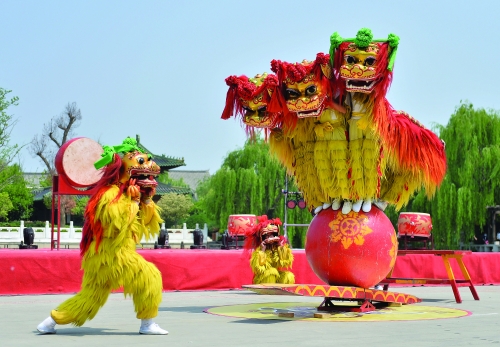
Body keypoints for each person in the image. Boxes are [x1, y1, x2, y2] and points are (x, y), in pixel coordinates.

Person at [37, 137, 168, 335]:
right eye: (141, 161)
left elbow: (144, 226)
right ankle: (147, 324)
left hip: (104, 255)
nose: (149, 165)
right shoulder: (109, 194)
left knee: (91, 297)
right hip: (111, 253)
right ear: (122, 168)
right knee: (150, 277)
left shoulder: (125, 193)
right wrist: (133, 203)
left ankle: (50, 321)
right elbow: (116, 226)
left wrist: (146, 200)